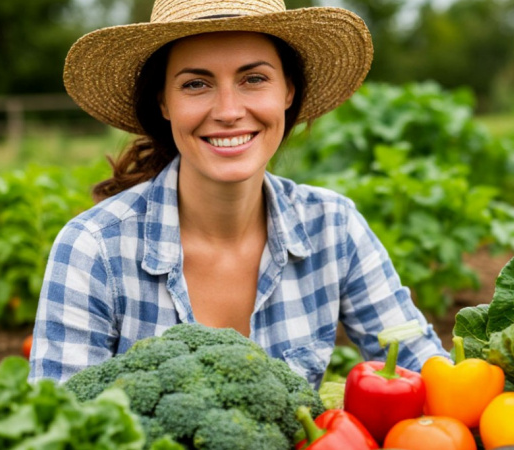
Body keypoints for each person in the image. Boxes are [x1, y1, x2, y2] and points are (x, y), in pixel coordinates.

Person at [29, 0, 448, 386]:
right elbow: (63, 426)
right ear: (163, 102)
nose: (228, 111)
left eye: (253, 78)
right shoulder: (93, 249)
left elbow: (426, 370)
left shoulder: (333, 227)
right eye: (196, 84)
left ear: (288, 91)